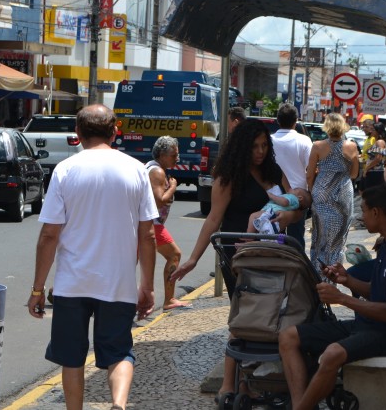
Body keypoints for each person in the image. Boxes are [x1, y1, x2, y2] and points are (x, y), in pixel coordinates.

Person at [27, 104, 158, 410]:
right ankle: (119, 404)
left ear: (78, 133)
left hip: (72, 284)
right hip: (118, 283)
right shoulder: (137, 169)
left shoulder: (66, 170)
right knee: (120, 352)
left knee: (71, 358)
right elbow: (148, 235)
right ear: (115, 132)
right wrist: (148, 286)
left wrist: (37, 289)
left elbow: (49, 235)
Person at [170, 118, 307, 402]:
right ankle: (231, 385)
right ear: (242, 147)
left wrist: (289, 215)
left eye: (264, 146)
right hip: (240, 255)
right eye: (254, 146)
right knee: (243, 316)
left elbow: (296, 207)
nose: (259, 151)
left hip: (273, 253)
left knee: (270, 313)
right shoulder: (229, 175)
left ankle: (249, 381)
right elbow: (214, 218)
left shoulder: (273, 171)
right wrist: (194, 258)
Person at [278, 185, 386, 410]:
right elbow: (375, 291)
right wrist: (346, 280)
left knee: (332, 354)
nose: (361, 216)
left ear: (377, 213)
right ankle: (302, 404)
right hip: (368, 326)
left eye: (365, 211)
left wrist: (342, 299)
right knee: (288, 337)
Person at [307, 113, 359, 270]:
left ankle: (318, 274)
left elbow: (309, 175)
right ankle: (333, 275)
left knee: (320, 237)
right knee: (338, 239)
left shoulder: (317, 146)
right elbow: (355, 174)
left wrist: (312, 191)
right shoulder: (352, 146)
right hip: (343, 192)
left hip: (321, 192)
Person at [146, 136, 190, 311]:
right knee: (174, 255)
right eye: (173, 155)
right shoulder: (157, 172)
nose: (177, 158)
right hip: (152, 224)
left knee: (125, 262)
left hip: (148, 224)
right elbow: (159, 201)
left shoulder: (154, 168)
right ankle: (169, 300)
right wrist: (172, 187)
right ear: (162, 155)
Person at [271, 103, 313, 246]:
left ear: (278, 120)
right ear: (296, 121)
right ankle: (294, 265)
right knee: (295, 238)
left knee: (276, 233)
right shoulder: (304, 141)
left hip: (274, 195)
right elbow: (311, 170)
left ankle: (278, 260)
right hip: (298, 197)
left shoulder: (269, 141)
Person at [361, 123, 386, 192]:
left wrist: (366, 169)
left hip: (375, 173)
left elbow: (378, 158)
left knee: (371, 195)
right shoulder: (377, 141)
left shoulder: (380, 142)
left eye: (373, 129)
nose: (371, 131)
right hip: (374, 173)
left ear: (378, 131)